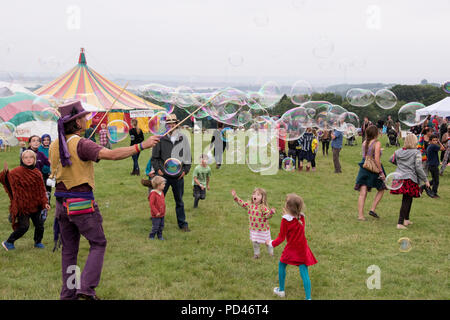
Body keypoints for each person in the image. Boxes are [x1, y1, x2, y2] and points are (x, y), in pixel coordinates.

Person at [49, 100, 159, 300]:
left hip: (61, 205)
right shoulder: (80, 143)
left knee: (69, 253)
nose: (86, 119)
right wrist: (142, 145)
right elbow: (113, 155)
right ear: (77, 123)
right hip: (80, 203)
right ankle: (87, 287)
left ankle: (68, 295)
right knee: (98, 243)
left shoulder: (56, 143)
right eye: (83, 117)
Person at [266, 193, 317, 299]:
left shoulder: (285, 220)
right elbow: (294, 219)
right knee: (304, 272)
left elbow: (281, 238)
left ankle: (281, 291)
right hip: (302, 248)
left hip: (292, 249)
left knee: (282, 264)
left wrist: (270, 243)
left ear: (288, 207)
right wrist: (288, 213)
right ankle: (308, 298)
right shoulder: (301, 217)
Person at [1, 150, 50, 251]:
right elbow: (7, 180)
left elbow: (41, 190)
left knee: (40, 225)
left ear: (34, 159)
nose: (28, 159)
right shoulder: (17, 171)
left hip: (35, 204)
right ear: (22, 159)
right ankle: (9, 242)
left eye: (31, 157)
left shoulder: (37, 173)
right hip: (23, 205)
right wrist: (5, 174)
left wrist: (45, 202)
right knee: (24, 227)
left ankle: (38, 242)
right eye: (26, 158)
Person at [151, 114, 191, 232]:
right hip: (163, 177)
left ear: (177, 124)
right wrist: (159, 170)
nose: (172, 125)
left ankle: (182, 224)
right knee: (158, 199)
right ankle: (156, 220)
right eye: (169, 123)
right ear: (166, 125)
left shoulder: (182, 138)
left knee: (179, 201)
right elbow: (154, 158)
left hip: (178, 177)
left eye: (174, 123)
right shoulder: (161, 138)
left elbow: (188, 157)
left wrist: (185, 171)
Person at [389, 134, 431, 229]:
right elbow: (419, 168)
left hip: (399, 177)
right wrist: (425, 180)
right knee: (406, 199)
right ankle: (400, 223)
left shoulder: (399, 151)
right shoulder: (416, 152)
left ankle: (406, 219)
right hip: (409, 178)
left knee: (409, 198)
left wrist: (399, 165)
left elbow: (391, 159)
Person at [231, 188, 275, 259]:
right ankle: (256, 254)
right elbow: (242, 203)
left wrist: (271, 213)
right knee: (255, 242)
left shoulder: (263, 207)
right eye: (254, 194)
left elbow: (267, 216)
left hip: (263, 229)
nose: (255, 196)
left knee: (267, 243)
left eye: (258, 195)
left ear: (262, 198)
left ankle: (271, 253)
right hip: (254, 229)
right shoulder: (250, 204)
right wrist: (235, 197)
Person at [354, 125, 386, 221]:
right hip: (373, 168)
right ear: (376, 133)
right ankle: (372, 209)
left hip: (364, 167)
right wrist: (381, 172)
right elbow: (376, 159)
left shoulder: (364, 142)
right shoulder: (377, 143)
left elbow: (367, 154)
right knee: (381, 188)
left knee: (362, 192)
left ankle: (360, 215)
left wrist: (379, 150)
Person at [148, 176, 166, 240]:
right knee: (156, 226)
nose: (164, 185)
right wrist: (156, 212)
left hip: (162, 213)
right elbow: (151, 204)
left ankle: (160, 236)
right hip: (156, 215)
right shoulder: (153, 194)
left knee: (161, 226)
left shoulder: (161, 192)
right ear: (158, 185)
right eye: (163, 184)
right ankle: (151, 236)